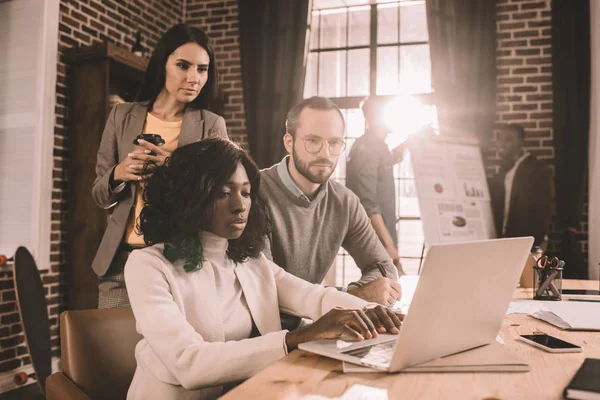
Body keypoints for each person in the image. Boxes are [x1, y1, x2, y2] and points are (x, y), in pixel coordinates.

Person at [124, 138, 403, 400]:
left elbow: (313, 297)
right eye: (223, 192)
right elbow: (189, 363)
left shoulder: (250, 262)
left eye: (245, 192)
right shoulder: (148, 265)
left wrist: (374, 314)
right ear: (189, 197)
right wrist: (298, 338)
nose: (240, 205)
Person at [91, 24, 228, 309]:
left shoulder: (212, 125)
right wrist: (119, 173)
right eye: (183, 65)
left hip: (177, 261)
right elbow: (99, 195)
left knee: (169, 352)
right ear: (162, 64)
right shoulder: (121, 115)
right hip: (120, 262)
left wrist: (169, 168)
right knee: (116, 352)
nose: (194, 78)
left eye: (202, 69)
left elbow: (218, 198)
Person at [260, 96, 402, 330]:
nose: (325, 153)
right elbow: (265, 286)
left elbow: (383, 268)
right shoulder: (252, 192)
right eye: (313, 141)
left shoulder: (344, 201)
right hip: (260, 335)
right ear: (288, 141)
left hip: (314, 326)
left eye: (334, 143)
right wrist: (355, 295)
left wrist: (356, 295)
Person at [346, 96, 406, 271]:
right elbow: (367, 203)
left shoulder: (378, 145)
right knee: (387, 288)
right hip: (377, 237)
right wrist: (388, 245)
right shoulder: (368, 148)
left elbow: (388, 161)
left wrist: (410, 142)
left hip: (385, 232)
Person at [488, 123, 553, 247]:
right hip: (503, 241)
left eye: (508, 139)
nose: (502, 144)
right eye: (499, 139)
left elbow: (545, 207)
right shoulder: (501, 172)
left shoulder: (537, 169)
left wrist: (537, 241)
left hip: (528, 242)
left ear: (521, 142)